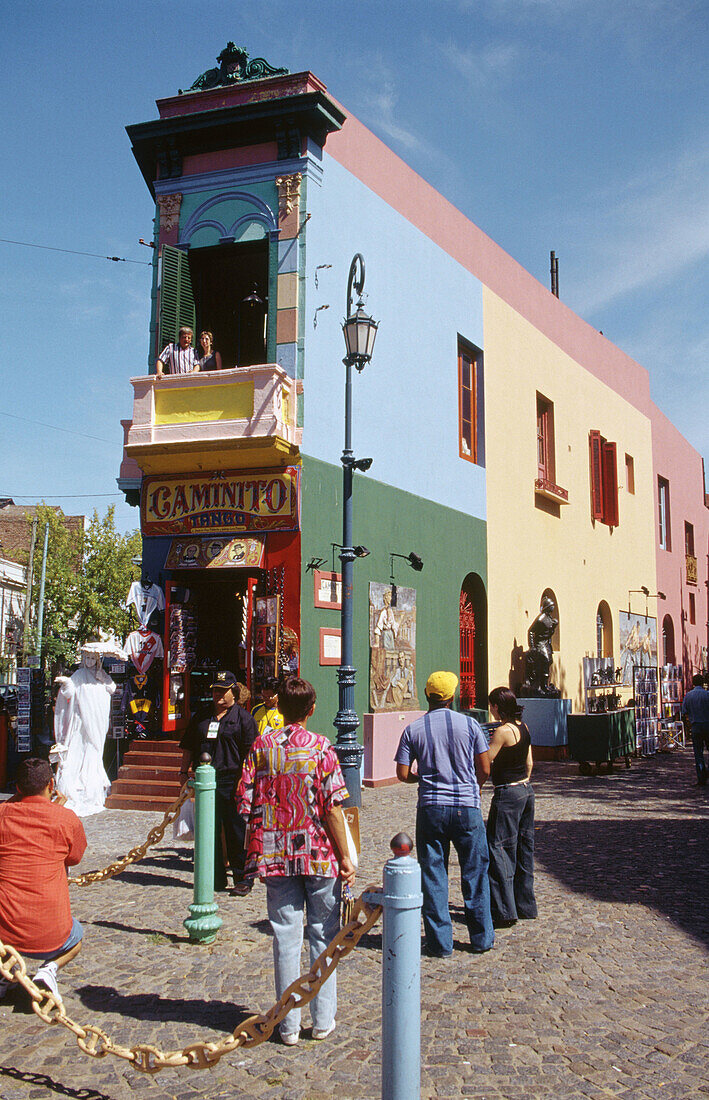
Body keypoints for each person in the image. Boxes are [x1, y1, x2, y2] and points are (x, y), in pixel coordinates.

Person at [236, 678, 355, 1045]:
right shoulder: (321, 749)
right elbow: (333, 808)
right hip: (318, 854)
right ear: (312, 709)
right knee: (324, 935)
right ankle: (322, 1020)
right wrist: (346, 855)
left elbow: (244, 802)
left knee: (285, 938)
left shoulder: (261, 746)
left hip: (275, 854)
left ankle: (287, 1025)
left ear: (279, 706)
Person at [394, 670, 494, 957]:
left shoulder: (413, 729)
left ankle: (440, 943)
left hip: (431, 808)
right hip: (466, 808)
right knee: (475, 872)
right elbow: (485, 768)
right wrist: (471, 787)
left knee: (433, 874)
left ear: (427, 695)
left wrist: (421, 778)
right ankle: (481, 938)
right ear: (453, 696)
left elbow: (402, 773)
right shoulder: (472, 726)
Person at [0, 758, 86, 1004]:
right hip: (52, 936)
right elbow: (74, 857)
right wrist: (55, 809)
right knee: (76, 935)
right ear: (51, 783)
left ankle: (6, 972)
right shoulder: (65, 818)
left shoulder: (3, 814)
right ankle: (48, 971)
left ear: (17, 788)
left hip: (4, 934)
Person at [179, 670, 257, 893]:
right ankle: (214, 877)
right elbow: (188, 745)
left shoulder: (244, 719)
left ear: (234, 692)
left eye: (223, 691)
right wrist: (183, 773)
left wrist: (247, 783)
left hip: (233, 781)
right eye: (215, 690)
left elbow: (252, 754)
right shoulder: (202, 717)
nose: (218, 695)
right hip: (205, 782)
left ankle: (243, 878)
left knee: (236, 831)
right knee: (208, 831)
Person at [485, 687, 538, 928]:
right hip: (526, 791)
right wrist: (524, 782)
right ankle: (526, 905)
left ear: (497, 706)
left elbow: (486, 762)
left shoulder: (502, 732)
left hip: (507, 793)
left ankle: (504, 910)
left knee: (500, 848)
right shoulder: (523, 728)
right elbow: (529, 762)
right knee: (524, 848)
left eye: (491, 706)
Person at [681, 674, 709, 786]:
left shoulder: (689, 696)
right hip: (707, 725)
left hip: (696, 726)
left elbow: (684, 711)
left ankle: (701, 777)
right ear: (703, 683)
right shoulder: (707, 695)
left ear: (693, 683)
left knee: (698, 753)